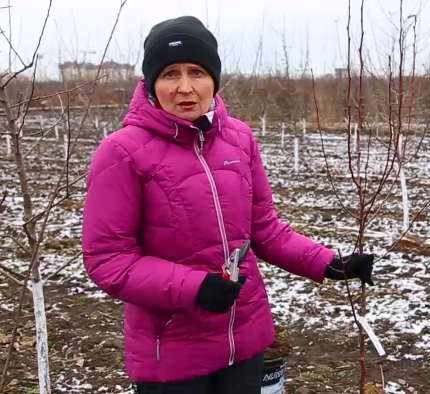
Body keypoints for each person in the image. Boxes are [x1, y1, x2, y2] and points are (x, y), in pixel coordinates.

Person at [81, 16, 375, 394]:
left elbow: (264, 228)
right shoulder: (121, 153)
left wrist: (330, 263)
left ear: (214, 79)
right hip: (171, 353)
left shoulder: (239, 138)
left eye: (197, 72)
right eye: (170, 74)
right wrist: (196, 288)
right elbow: (108, 259)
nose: (185, 88)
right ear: (151, 83)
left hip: (245, 340)